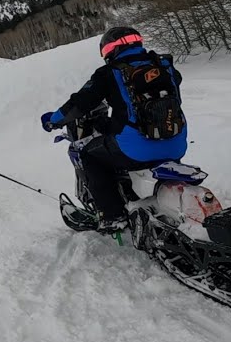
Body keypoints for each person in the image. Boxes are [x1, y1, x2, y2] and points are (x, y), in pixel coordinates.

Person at [40, 26, 188, 233]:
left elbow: (80, 103)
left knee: (88, 155)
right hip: (176, 144)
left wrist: (53, 120)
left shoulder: (110, 73)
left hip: (136, 150)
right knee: (118, 139)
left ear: (110, 50)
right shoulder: (165, 65)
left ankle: (112, 216)